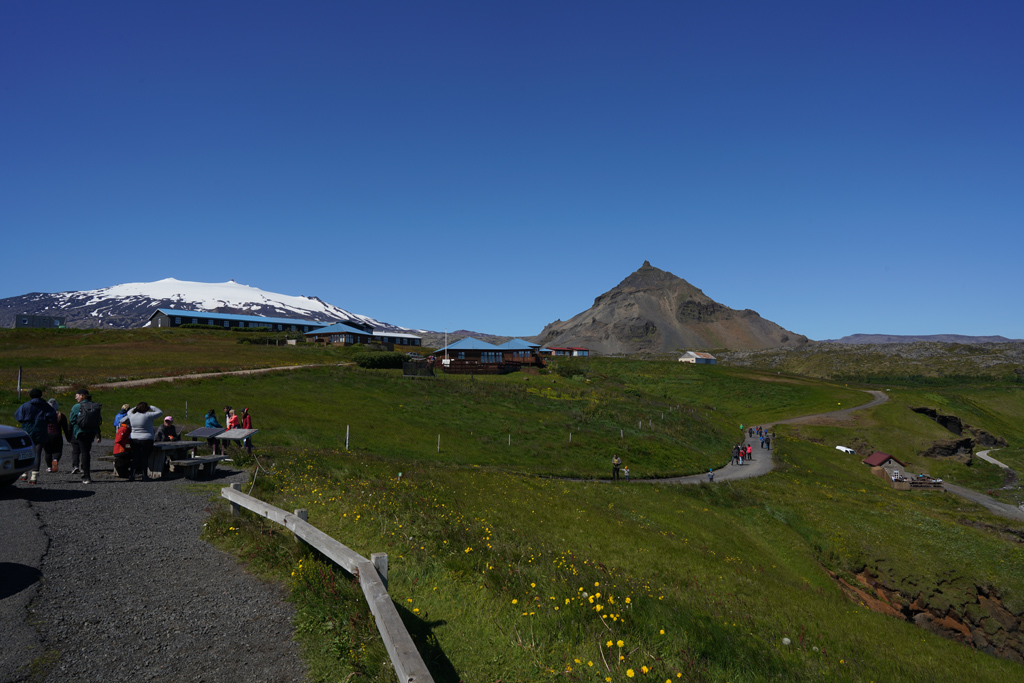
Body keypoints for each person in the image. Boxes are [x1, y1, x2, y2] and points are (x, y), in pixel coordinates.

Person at [14, 388, 57, 484]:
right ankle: (34, 475)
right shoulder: (46, 406)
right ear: (40, 395)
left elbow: (18, 417)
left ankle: (24, 472)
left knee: (25, 452)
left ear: (30, 395)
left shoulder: (24, 406)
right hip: (40, 432)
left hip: (27, 431)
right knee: (37, 453)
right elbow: (52, 418)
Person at [68, 390, 102, 484]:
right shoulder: (95, 406)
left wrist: (78, 425)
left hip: (80, 432)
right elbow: (98, 420)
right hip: (91, 432)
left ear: (82, 396)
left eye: (77, 395)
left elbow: (72, 420)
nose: (76, 398)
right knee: (86, 452)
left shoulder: (76, 407)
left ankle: (86, 476)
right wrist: (98, 433)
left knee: (83, 452)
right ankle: (86, 474)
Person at [127, 401, 163, 481]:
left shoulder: (131, 415)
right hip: (146, 439)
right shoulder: (148, 415)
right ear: (145, 408)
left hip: (133, 438)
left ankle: (132, 475)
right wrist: (151, 407)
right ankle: (144, 475)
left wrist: (136, 407)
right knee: (144, 457)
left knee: (135, 457)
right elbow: (160, 412)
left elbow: (129, 410)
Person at [44, 398, 73, 473]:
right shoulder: (61, 416)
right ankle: (55, 460)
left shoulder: (44, 415)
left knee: (48, 452)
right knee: (58, 450)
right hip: (57, 435)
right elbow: (65, 428)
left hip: (47, 435)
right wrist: (68, 438)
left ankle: (49, 467)